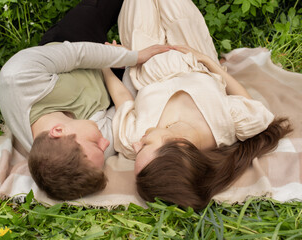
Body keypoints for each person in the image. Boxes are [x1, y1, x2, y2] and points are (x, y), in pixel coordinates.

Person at [102, 0, 292, 210]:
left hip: (144, 54)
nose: (137, 146)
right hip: (192, 48)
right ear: (179, 143)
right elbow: (246, 101)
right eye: (145, 146)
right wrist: (209, 62)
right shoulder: (226, 127)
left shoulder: (132, 138)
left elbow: (122, 97)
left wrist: (105, 63)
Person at [0, 0, 172, 201]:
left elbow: (78, 54)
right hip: (107, 78)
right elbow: (126, 106)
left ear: (58, 131)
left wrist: (130, 56)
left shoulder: (19, 78)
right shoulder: (92, 156)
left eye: (95, 142)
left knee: (97, 9)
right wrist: (123, 70)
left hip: (73, 46)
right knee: (157, 56)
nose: (106, 143)